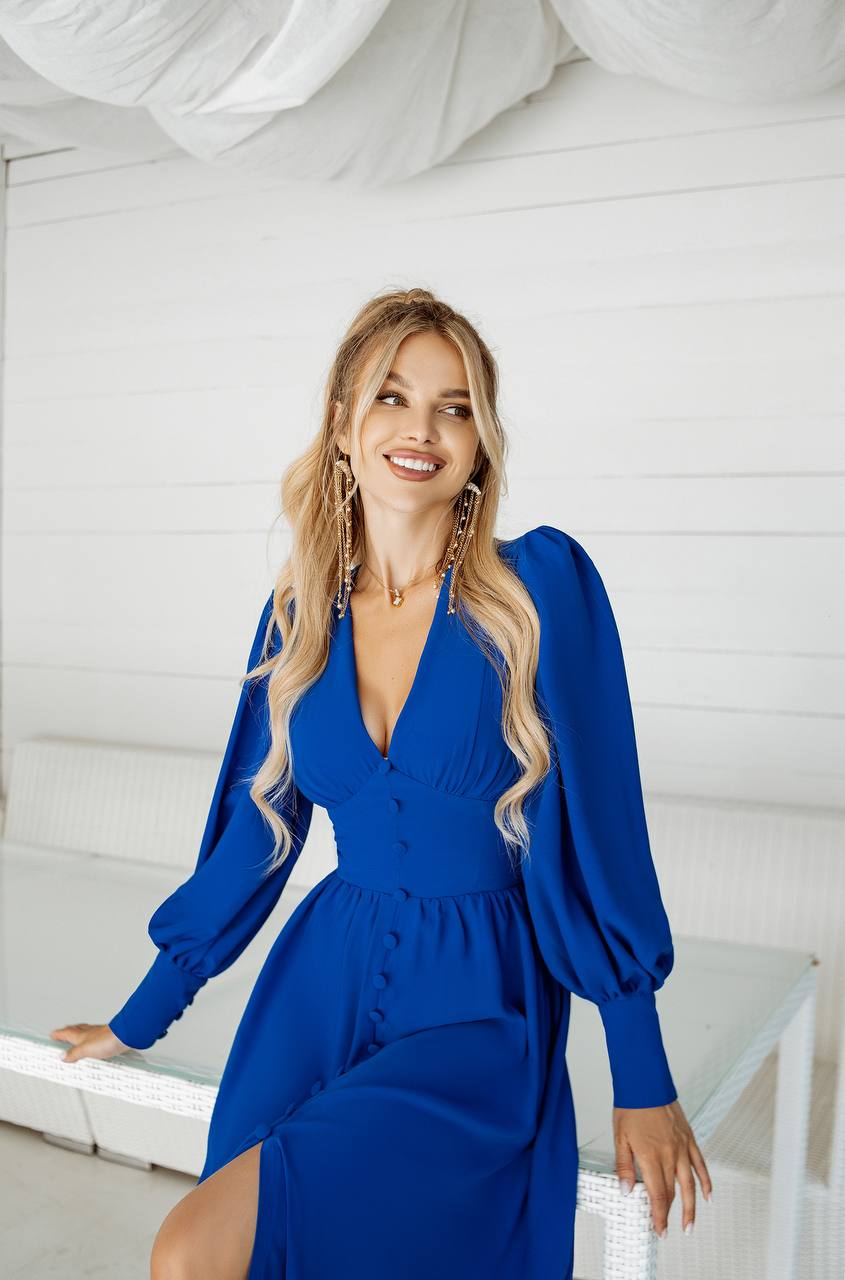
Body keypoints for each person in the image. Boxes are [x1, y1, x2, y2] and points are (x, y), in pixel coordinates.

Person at [50, 287, 711, 1279]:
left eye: (454, 406)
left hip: (481, 1010)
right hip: (318, 988)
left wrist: (639, 1069)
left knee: (190, 1251)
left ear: (480, 440)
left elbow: (599, 837)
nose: (421, 428)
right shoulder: (296, 617)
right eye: (393, 396)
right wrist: (146, 1007)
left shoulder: (535, 592)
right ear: (341, 423)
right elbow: (253, 830)